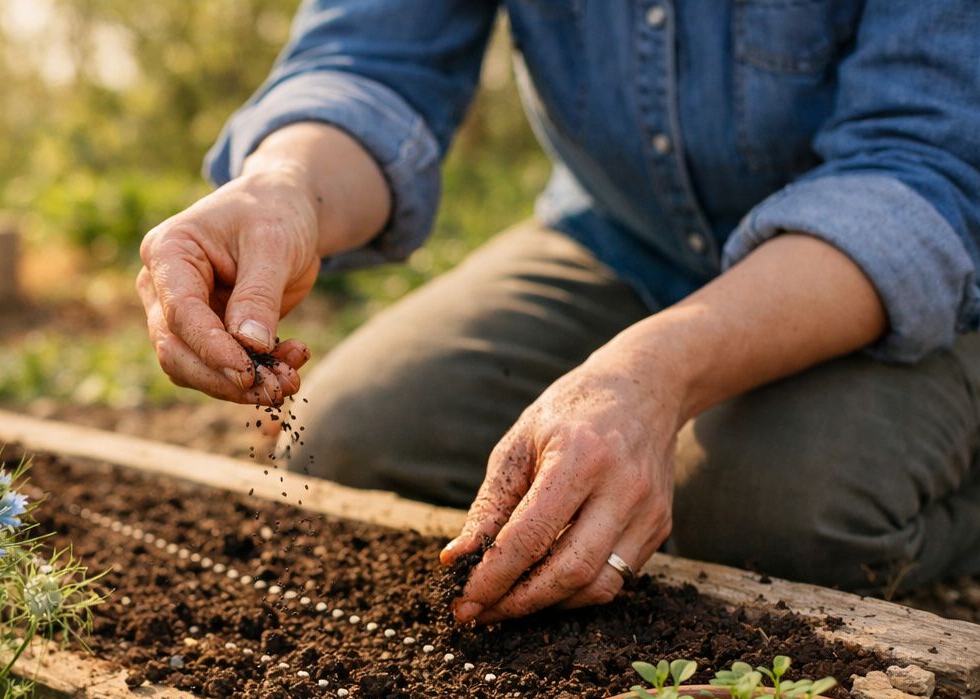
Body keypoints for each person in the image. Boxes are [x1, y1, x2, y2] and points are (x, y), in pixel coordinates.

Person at [135, 0, 980, 625]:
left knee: (770, 519)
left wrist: (659, 372)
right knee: (351, 437)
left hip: (906, 266)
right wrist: (284, 186)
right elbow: (371, 61)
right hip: (628, 235)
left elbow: (927, 163)